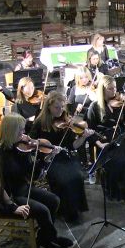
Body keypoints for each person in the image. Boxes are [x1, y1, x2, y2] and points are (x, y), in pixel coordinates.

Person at [0, 113, 73, 248]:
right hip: (10, 197)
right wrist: (13, 206)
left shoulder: (18, 147)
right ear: (11, 131)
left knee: (54, 200)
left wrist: (48, 157)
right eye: (21, 130)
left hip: (23, 189)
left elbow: (34, 176)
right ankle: (50, 238)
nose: (24, 133)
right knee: (43, 210)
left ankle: (45, 238)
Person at [30, 91, 95, 222]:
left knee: (77, 176)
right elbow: (32, 143)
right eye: (57, 107)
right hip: (49, 159)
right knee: (63, 179)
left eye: (62, 107)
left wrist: (83, 137)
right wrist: (47, 151)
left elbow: (73, 146)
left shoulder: (67, 121)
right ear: (48, 106)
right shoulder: (40, 122)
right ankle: (64, 210)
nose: (60, 110)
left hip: (65, 155)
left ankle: (76, 208)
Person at [86, 75, 125, 202]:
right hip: (104, 138)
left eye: (115, 88)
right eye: (110, 89)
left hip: (122, 134)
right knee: (119, 161)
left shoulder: (120, 104)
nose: (114, 91)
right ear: (102, 90)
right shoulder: (94, 107)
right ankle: (120, 192)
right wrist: (99, 144)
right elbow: (91, 131)